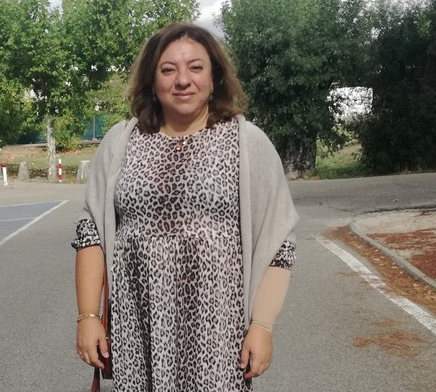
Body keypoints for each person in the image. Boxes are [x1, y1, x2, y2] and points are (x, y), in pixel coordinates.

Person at [72, 22, 299, 391]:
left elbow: (279, 243)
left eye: (195, 67)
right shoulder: (120, 141)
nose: (182, 80)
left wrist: (262, 326)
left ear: (214, 77)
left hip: (218, 336)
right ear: (151, 80)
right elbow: (91, 232)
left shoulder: (246, 142)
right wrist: (87, 317)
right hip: (136, 332)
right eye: (168, 69)